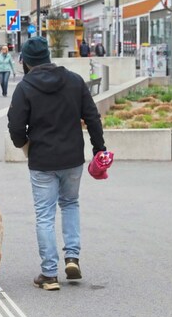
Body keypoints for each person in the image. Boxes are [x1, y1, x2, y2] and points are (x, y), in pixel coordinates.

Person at [7, 36, 106, 291]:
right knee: (70, 203)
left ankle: (49, 274)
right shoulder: (74, 81)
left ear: (26, 62)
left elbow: (16, 126)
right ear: (48, 56)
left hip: (42, 159)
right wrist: (99, 149)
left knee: (44, 214)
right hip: (73, 157)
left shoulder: (25, 87)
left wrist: (25, 145)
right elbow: (92, 117)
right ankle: (72, 257)